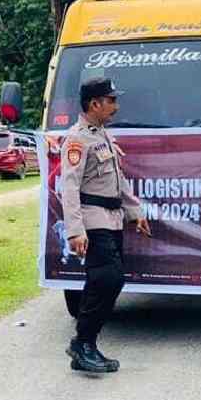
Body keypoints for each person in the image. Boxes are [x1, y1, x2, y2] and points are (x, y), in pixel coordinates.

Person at [58, 77, 151, 373]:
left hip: (112, 219)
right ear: (94, 104)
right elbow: (69, 187)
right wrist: (75, 231)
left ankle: (85, 344)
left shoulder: (103, 135)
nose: (116, 106)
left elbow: (117, 181)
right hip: (92, 219)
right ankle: (82, 343)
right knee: (107, 279)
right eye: (111, 100)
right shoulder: (77, 138)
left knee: (107, 280)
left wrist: (135, 211)